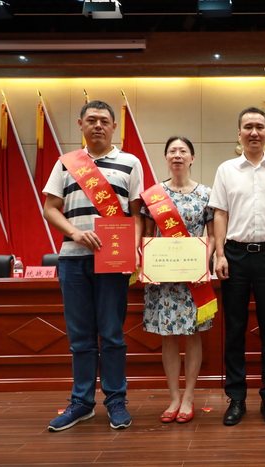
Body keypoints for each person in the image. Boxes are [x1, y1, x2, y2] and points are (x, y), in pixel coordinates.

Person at [43, 100, 143, 431]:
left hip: (113, 260)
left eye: (104, 121)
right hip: (73, 259)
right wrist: (75, 232)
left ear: (114, 126)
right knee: (80, 336)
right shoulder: (66, 163)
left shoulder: (130, 163)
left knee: (112, 334)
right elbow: (50, 208)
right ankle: (81, 402)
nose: (98, 125)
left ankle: (116, 401)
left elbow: (136, 214)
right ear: (80, 124)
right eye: (91, 120)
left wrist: (134, 249)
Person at [209, 106, 265, 426]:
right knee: (234, 330)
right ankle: (236, 398)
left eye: (260, 126)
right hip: (234, 255)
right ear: (239, 133)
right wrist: (220, 254)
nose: (255, 132)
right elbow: (220, 214)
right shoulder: (226, 170)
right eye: (248, 126)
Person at [140, 136, 215, 424]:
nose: (177, 155)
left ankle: (189, 396)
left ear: (192, 158)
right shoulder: (153, 195)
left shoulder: (206, 194)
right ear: (166, 157)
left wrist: (203, 261)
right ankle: (173, 397)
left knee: (192, 334)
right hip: (163, 276)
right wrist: (148, 264)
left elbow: (212, 235)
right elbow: (146, 235)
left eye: (183, 151)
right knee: (168, 336)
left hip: (193, 276)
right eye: (172, 151)